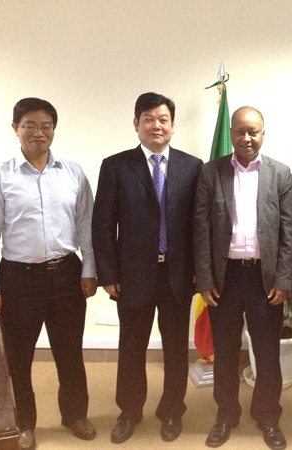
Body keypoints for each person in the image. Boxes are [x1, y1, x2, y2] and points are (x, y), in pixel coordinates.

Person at [92, 92, 202, 444]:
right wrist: (108, 274)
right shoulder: (115, 166)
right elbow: (103, 224)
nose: (157, 125)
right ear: (136, 123)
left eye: (163, 119)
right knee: (131, 347)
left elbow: (199, 224)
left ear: (173, 125)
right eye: (149, 119)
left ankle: (172, 410)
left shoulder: (193, 166)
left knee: (175, 348)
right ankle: (129, 411)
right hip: (132, 276)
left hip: (178, 275)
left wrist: (200, 269)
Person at [0, 98, 98, 450]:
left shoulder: (72, 172)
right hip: (18, 279)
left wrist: (90, 268)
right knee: (18, 357)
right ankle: (25, 423)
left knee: (70, 351)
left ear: (54, 129)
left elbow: (86, 224)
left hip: (67, 274)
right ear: (15, 128)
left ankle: (74, 415)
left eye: (46, 126)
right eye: (30, 125)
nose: (39, 132)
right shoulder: (0, 175)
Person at [193, 106, 292, 450]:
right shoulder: (211, 172)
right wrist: (205, 279)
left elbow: (288, 232)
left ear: (263, 134)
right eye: (240, 131)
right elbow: (201, 229)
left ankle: (268, 417)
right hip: (225, 278)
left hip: (265, 279)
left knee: (267, 352)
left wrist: (283, 279)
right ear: (231, 134)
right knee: (225, 352)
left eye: (253, 132)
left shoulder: (280, 174)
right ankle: (226, 416)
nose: (246, 138)